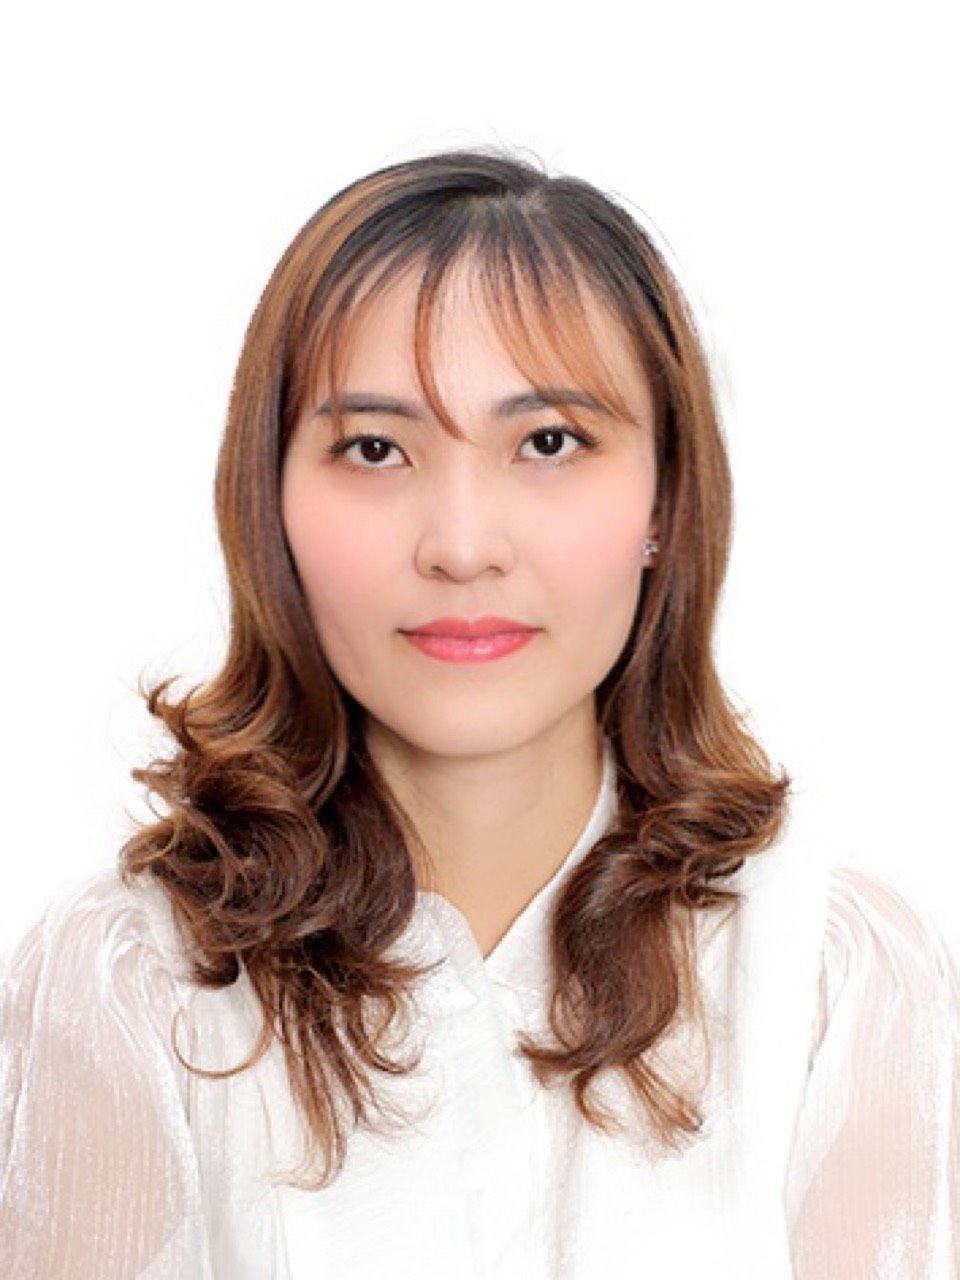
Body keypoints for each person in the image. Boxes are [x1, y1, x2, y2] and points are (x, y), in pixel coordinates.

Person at [1, 148, 957, 1279]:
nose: (460, 546)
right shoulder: (134, 976)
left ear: (666, 496)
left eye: (548, 442)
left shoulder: (829, 977)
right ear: (269, 499)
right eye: (375, 448)